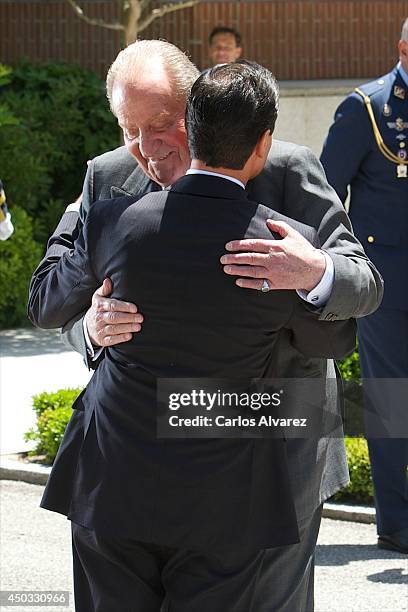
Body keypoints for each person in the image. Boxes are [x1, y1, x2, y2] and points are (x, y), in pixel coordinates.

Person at [29, 40, 383, 611]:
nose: (147, 147)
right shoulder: (108, 179)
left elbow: (362, 281)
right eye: (129, 128)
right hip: (133, 476)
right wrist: (90, 329)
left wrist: (315, 270)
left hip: (273, 463)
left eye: (164, 122)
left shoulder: (284, 170)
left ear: (196, 106)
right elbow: (49, 294)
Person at [320, 18, 408, 555]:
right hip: (389, 286)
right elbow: (325, 195)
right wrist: (340, 270)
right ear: (403, 48)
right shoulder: (368, 108)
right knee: (393, 401)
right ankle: (397, 521)